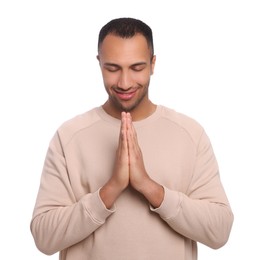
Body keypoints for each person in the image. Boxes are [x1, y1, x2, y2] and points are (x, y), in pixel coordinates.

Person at [30, 17, 234, 260]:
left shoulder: (189, 134)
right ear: (99, 64)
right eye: (113, 68)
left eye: (137, 68)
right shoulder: (69, 136)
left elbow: (219, 231)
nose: (125, 83)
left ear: (153, 64)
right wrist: (111, 189)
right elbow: (44, 238)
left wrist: (149, 187)